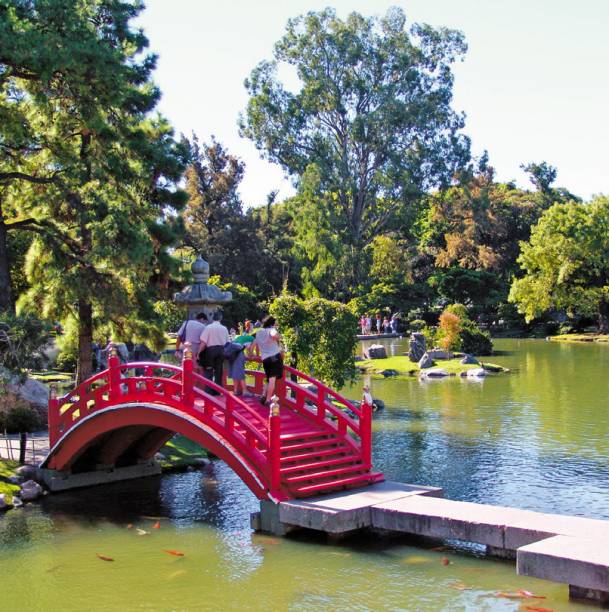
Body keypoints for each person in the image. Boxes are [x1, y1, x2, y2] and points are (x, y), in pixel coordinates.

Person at [253, 315, 283, 406]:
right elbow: (275, 335)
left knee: (268, 379)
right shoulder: (272, 329)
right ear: (272, 323)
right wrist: (278, 337)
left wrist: (253, 355)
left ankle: (263, 395)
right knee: (272, 380)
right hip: (274, 357)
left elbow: (252, 346)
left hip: (265, 359)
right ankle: (268, 400)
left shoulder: (259, 332)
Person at [198, 311, 229, 391]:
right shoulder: (224, 328)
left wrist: (198, 353)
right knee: (219, 372)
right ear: (220, 318)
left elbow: (203, 342)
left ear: (213, 318)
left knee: (208, 372)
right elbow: (227, 343)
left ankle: (208, 393)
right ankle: (217, 391)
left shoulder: (208, 327)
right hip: (221, 351)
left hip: (210, 351)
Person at [226, 329, 255, 396]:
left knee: (235, 372)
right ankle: (245, 391)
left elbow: (246, 348)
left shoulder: (242, 337)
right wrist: (252, 356)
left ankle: (235, 390)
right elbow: (250, 351)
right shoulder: (253, 339)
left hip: (231, 353)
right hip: (238, 353)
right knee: (240, 371)